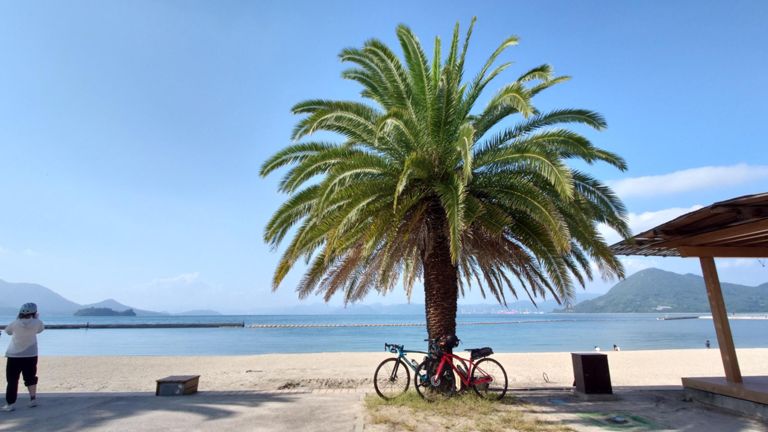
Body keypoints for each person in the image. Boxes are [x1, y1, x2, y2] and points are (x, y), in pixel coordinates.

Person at [2, 302, 44, 412]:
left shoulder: (15, 323)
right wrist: (36, 319)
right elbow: (40, 330)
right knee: (30, 377)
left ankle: (10, 404)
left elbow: (7, 332)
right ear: (34, 312)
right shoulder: (38, 322)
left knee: (12, 380)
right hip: (31, 354)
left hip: (14, 355)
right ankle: (32, 399)